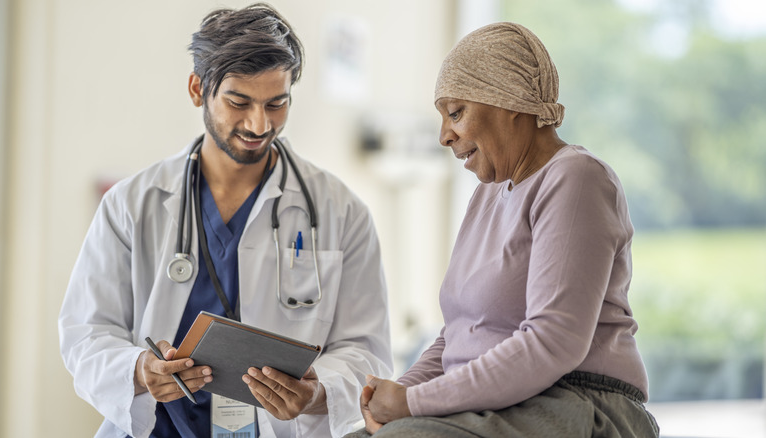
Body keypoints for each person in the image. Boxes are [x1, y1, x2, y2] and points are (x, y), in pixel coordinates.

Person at [58, 4, 392, 437]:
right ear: (198, 89)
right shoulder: (133, 204)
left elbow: (367, 349)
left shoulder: (340, 211)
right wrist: (140, 370)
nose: (259, 123)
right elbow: (86, 332)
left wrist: (317, 391)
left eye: (277, 103)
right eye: (239, 102)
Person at [348, 22, 659, 437]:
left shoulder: (576, 178)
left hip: (579, 401)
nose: (444, 135)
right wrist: (399, 393)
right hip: (501, 405)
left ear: (510, 100)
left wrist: (411, 404)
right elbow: (459, 336)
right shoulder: (488, 195)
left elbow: (555, 341)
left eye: (456, 113)